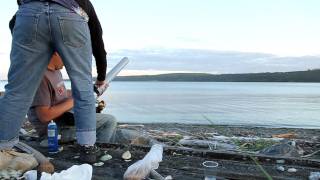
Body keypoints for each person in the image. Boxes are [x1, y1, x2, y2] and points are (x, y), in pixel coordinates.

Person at [0, 0, 107, 163]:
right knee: (83, 88)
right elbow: (96, 36)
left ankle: (4, 148)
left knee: (17, 91)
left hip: (29, 12)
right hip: (71, 12)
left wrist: (30, 52)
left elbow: (13, 22)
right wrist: (101, 76)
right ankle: (87, 148)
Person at [28, 52, 117, 145]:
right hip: (54, 132)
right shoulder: (40, 77)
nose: (69, 60)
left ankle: (94, 145)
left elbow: (62, 94)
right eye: (67, 54)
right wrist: (76, 99)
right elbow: (44, 116)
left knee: (110, 127)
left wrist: (89, 91)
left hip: (67, 120)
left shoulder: (55, 70)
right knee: (110, 121)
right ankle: (99, 151)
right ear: (55, 53)